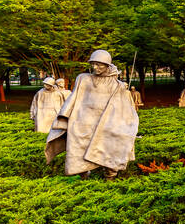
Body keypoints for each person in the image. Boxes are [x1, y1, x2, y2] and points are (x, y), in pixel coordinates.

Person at [45, 50, 139, 179]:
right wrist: (64, 117)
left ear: (108, 65)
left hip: (105, 123)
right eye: (93, 64)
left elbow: (125, 108)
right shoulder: (83, 79)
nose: (95, 67)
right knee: (78, 151)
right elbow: (74, 97)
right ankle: (84, 174)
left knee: (108, 149)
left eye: (99, 64)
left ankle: (110, 176)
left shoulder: (117, 85)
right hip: (82, 122)